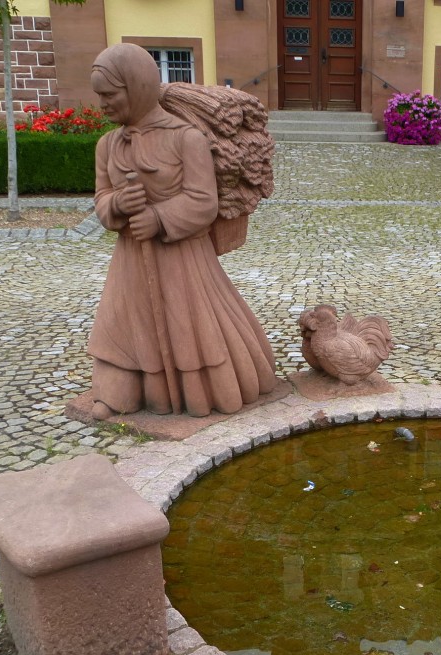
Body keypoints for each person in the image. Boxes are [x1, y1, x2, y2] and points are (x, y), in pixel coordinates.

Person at [87, 43, 278, 419]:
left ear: (137, 86)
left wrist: (159, 218)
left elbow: (203, 201)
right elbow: (101, 198)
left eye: (110, 95)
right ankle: (121, 392)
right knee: (125, 323)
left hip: (183, 259)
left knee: (189, 326)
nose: (103, 105)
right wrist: (117, 206)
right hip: (131, 260)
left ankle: (197, 394)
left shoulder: (186, 139)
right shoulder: (108, 144)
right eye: (100, 96)